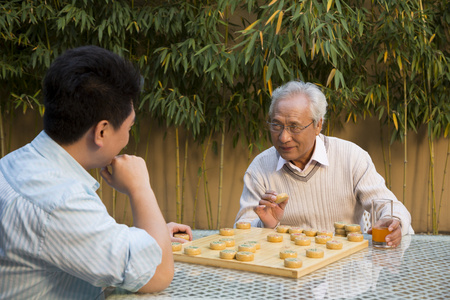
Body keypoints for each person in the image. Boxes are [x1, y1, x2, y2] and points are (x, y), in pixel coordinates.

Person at [0, 45, 191, 299]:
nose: (127, 137)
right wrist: (140, 187)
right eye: (129, 127)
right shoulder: (62, 202)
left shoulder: (15, 163)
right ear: (101, 131)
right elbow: (158, 274)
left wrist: (151, 237)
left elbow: (79, 240)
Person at [234, 80, 413, 247]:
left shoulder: (351, 157)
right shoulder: (260, 167)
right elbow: (240, 232)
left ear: (318, 125)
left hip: (344, 271)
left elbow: (390, 206)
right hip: (288, 272)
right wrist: (265, 223)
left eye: (294, 127)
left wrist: (393, 222)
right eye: (276, 125)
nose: (283, 137)